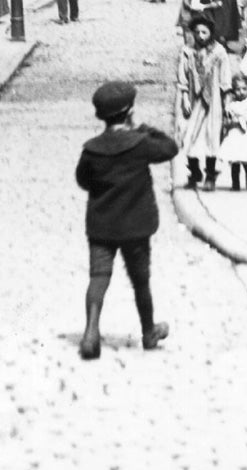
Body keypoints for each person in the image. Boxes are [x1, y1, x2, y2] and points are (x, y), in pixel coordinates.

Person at [75, 81, 178, 361]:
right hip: (135, 227)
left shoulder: (92, 149)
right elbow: (170, 148)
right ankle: (148, 331)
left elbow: (82, 180)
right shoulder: (140, 143)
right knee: (140, 280)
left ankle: (91, 332)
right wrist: (145, 130)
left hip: (101, 227)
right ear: (129, 112)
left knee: (98, 277)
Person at [175, 17, 230, 189]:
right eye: (197, 32)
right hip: (193, 100)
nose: (200, 36)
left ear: (211, 33)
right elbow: (182, 77)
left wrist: (226, 102)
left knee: (211, 136)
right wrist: (184, 98)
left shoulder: (219, 52)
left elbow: (225, 80)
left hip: (213, 102)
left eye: (204, 32)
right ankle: (194, 172)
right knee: (188, 135)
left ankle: (211, 175)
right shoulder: (187, 52)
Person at [220, 88, 247, 191]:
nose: (241, 92)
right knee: (235, 161)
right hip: (235, 136)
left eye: (244, 89)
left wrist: (239, 122)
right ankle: (235, 183)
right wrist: (228, 120)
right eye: (237, 89)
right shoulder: (232, 104)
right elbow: (227, 118)